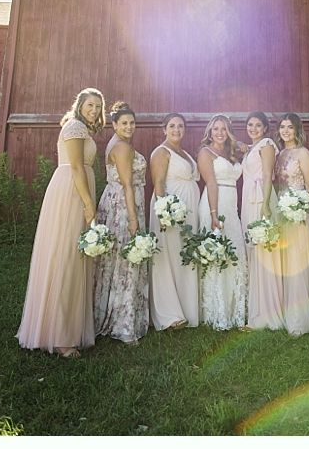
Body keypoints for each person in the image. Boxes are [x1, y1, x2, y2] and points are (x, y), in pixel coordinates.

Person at [17, 87, 106, 357]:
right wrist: (88, 204)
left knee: (75, 257)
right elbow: (76, 167)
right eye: (90, 105)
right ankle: (60, 336)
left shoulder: (83, 129)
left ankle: (67, 327)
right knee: (66, 257)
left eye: (98, 107)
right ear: (79, 105)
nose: (94, 110)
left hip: (78, 188)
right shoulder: (75, 127)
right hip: (71, 192)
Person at [93, 101, 150, 344]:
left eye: (132, 123)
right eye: (124, 123)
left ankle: (110, 313)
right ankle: (123, 325)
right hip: (124, 206)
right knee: (126, 260)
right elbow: (127, 184)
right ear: (114, 125)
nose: (129, 126)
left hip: (115, 200)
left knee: (114, 260)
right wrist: (133, 219)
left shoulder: (117, 143)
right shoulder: (122, 147)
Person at [148, 113, 200, 330]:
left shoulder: (184, 153)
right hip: (170, 210)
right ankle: (169, 314)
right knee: (169, 257)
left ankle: (186, 308)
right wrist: (164, 213)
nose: (176, 130)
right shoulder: (161, 152)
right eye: (172, 126)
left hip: (188, 210)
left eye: (180, 126)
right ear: (164, 129)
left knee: (184, 255)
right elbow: (159, 183)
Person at [196, 114, 247, 330]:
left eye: (224, 129)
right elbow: (211, 183)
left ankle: (235, 309)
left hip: (231, 206)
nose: (219, 132)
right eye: (216, 129)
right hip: (214, 203)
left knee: (234, 250)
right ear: (210, 131)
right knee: (217, 253)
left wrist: (244, 147)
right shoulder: (205, 153)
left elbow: (253, 149)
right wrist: (214, 214)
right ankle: (217, 311)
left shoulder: (231, 151)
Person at [274, 112, 309, 335]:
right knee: (287, 262)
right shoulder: (280, 154)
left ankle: (301, 319)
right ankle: (287, 312)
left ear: (297, 130)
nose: (286, 131)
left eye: (290, 127)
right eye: (282, 127)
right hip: (283, 211)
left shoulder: (304, 153)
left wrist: (297, 208)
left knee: (299, 261)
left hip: (301, 212)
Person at [241, 111, 284, 331]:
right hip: (248, 200)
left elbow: (267, 175)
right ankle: (256, 310)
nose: (253, 128)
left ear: (266, 128)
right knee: (253, 253)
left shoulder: (267, 145)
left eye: (258, 125)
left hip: (260, 199)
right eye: (250, 124)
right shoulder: (252, 147)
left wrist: (266, 204)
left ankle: (267, 314)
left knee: (264, 253)